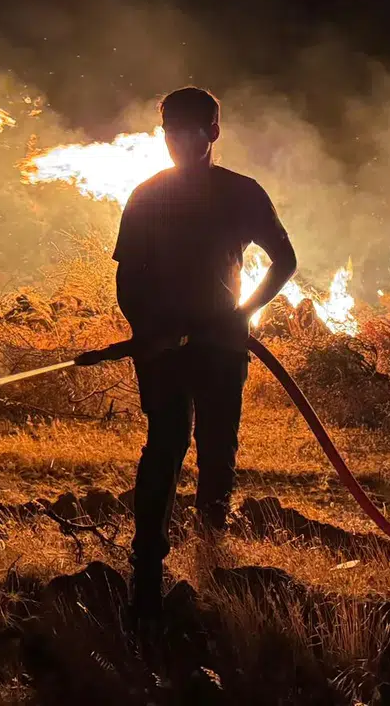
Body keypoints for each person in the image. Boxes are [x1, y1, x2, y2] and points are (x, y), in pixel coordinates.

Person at [112, 86, 297, 620]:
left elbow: (283, 260)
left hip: (219, 346)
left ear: (212, 133)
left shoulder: (241, 194)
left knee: (218, 449)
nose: (176, 142)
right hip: (163, 351)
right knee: (164, 447)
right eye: (169, 131)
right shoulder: (146, 196)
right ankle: (146, 567)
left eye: (188, 131)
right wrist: (148, 330)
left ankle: (211, 554)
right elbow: (129, 279)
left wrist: (242, 314)